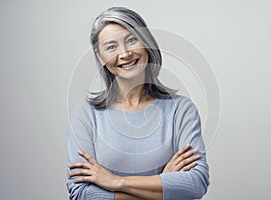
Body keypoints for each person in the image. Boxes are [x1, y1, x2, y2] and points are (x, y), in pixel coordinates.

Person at [67, 7, 209, 200]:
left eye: (131, 39)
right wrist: (163, 182)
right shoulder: (85, 115)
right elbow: (81, 193)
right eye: (111, 46)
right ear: (100, 56)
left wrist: (116, 181)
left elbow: (196, 183)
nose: (125, 53)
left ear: (146, 44)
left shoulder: (181, 110)